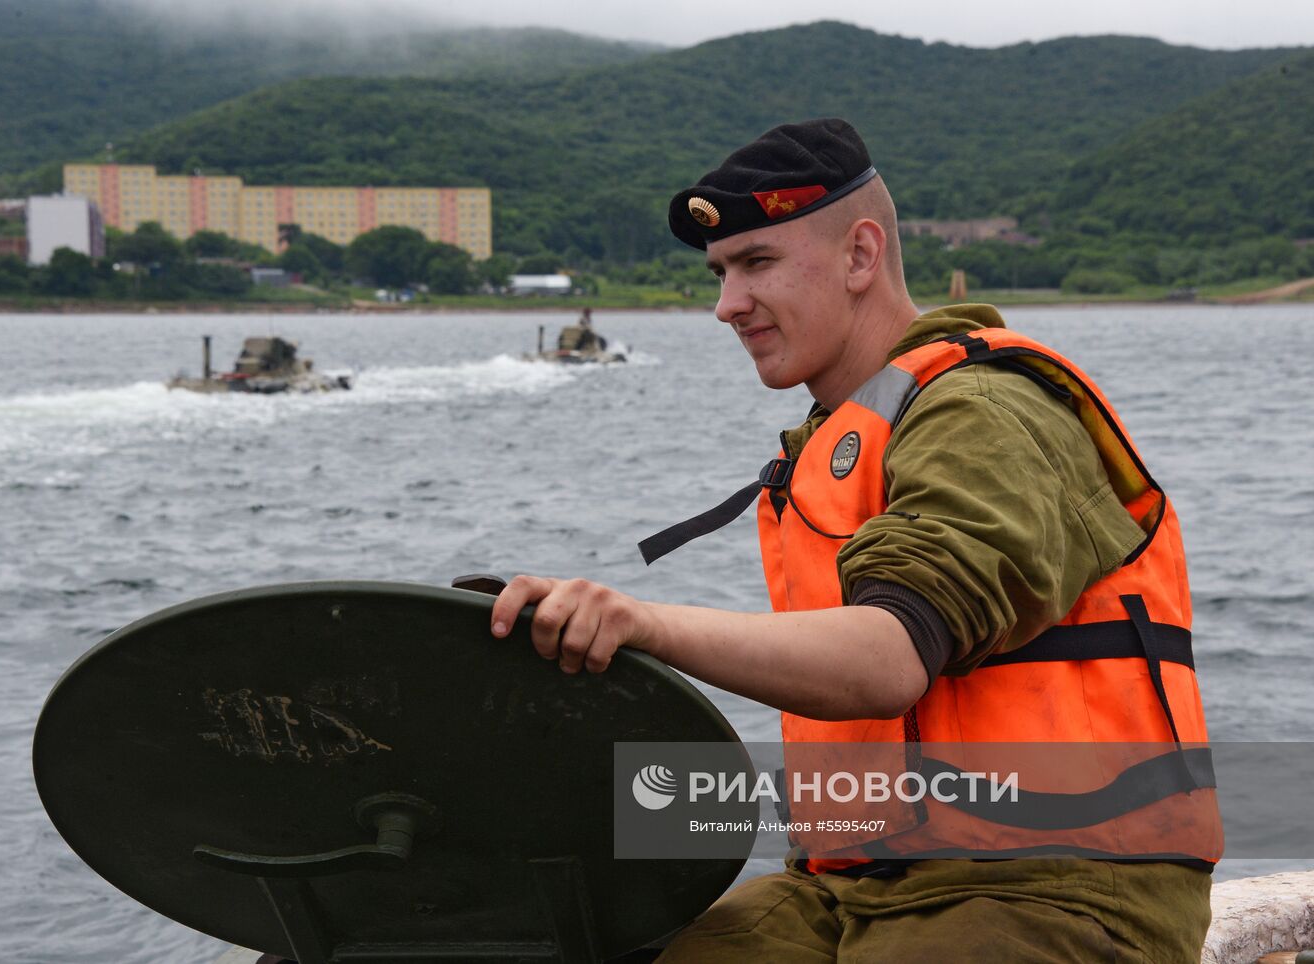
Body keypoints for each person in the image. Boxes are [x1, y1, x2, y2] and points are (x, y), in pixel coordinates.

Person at [490, 119, 1218, 962]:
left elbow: (889, 659)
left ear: (860, 256)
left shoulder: (982, 410)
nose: (726, 304)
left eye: (756, 263)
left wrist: (640, 622)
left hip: (1057, 884)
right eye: (721, 273)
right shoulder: (837, 437)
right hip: (854, 886)